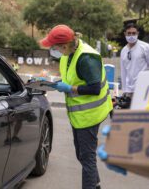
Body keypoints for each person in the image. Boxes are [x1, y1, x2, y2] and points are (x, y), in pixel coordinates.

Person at [40, 24, 113, 189]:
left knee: (87, 158)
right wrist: (56, 82)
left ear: (64, 45)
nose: (54, 50)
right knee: (82, 155)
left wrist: (70, 88)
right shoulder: (68, 54)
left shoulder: (87, 58)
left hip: (90, 115)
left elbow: (95, 89)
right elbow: (72, 76)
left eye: (54, 47)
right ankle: (96, 184)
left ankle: (91, 185)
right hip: (79, 116)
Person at [120, 23, 149, 99]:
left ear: (137, 33)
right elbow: (123, 72)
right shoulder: (123, 51)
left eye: (134, 33)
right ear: (125, 34)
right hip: (129, 91)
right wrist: (124, 90)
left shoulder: (145, 47)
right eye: (129, 33)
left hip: (144, 89)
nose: (131, 35)